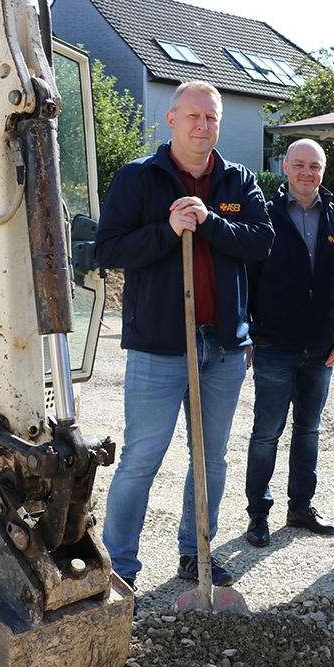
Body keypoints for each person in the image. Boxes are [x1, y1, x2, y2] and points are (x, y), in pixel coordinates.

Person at [95, 81, 273, 589]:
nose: (203, 126)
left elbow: (262, 242)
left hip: (223, 347)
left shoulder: (238, 182)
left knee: (210, 457)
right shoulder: (138, 178)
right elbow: (108, 251)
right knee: (141, 459)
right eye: (194, 116)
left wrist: (210, 223)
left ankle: (195, 553)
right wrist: (167, 233)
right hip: (160, 343)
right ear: (171, 120)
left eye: (212, 118)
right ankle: (120, 569)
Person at [242, 138, 334, 548]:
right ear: (285, 166)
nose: (308, 172)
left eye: (316, 166)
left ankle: (300, 506)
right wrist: (249, 333)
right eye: (300, 165)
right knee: (267, 433)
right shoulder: (265, 217)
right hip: (274, 344)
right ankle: (258, 513)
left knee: (309, 431)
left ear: (324, 170)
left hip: (323, 348)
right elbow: (246, 280)